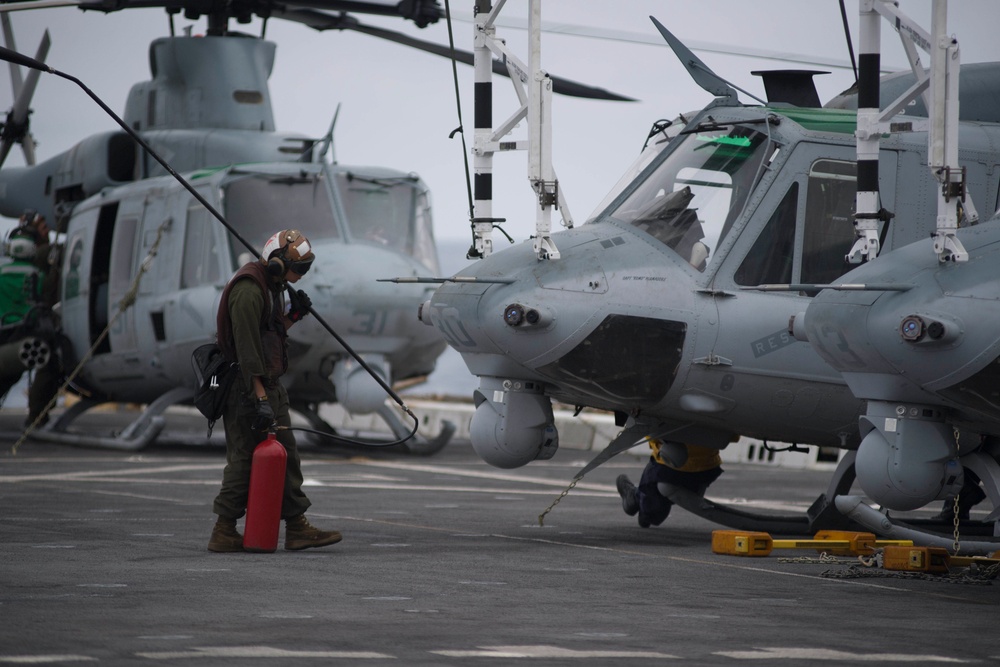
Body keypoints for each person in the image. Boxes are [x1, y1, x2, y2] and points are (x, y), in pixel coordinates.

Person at [208, 229, 343, 553]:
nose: (302, 275)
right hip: (246, 386)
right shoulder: (249, 290)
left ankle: (297, 527)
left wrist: (292, 317)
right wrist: (260, 399)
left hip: (268, 384)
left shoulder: (272, 287)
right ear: (278, 264)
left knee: (287, 455)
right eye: (301, 268)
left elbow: (268, 332)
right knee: (243, 460)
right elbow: (247, 351)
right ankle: (223, 530)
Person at [0, 211, 63, 427]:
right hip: (27, 332)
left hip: (4, 334)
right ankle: (37, 416)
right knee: (50, 362)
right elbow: (45, 299)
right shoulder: (38, 274)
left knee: (8, 375)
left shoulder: (2, 271)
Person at [616, 439, 723, 528]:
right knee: (652, 514)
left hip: (668, 467)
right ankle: (642, 504)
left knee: (653, 512)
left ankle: (636, 498)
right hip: (707, 468)